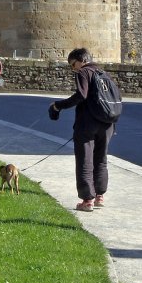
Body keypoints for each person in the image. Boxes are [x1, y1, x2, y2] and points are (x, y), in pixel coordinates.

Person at [48, 47, 116, 212]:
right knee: (101, 159)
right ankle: (100, 196)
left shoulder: (84, 73)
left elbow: (81, 95)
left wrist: (58, 106)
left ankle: (87, 200)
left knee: (85, 160)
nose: (73, 69)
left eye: (73, 64)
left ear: (82, 60)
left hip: (88, 124)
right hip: (107, 123)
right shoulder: (105, 75)